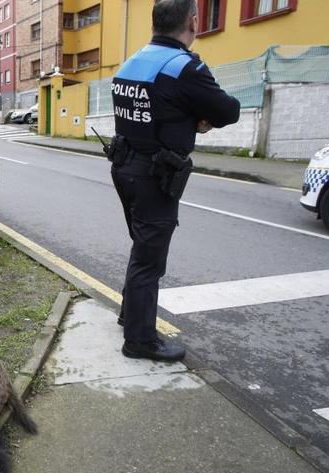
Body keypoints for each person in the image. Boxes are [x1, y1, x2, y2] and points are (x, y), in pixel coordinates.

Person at [109, 0, 239, 361]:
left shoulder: (132, 62)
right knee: (150, 260)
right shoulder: (185, 66)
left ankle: (130, 316)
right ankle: (139, 341)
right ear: (193, 22)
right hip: (155, 176)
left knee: (142, 249)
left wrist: (189, 115)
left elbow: (152, 111)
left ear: (155, 23)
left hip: (124, 168)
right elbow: (228, 110)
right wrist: (199, 116)